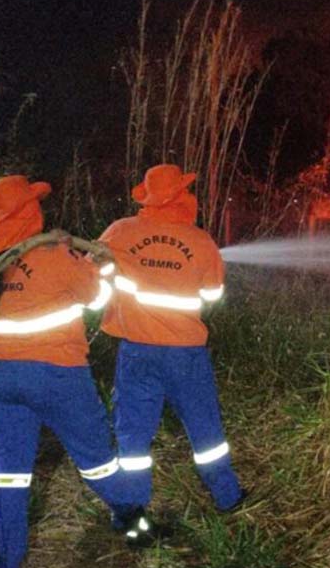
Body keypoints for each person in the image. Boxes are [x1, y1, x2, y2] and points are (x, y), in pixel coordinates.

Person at [0, 175, 152, 568]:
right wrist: (100, 267)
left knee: (10, 476)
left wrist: (69, 253)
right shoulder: (56, 257)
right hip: (57, 376)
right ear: (31, 210)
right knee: (98, 463)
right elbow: (96, 299)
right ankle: (133, 517)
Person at [98, 164, 245, 522]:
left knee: (132, 436)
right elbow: (212, 295)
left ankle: (129, 513)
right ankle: (228, 497)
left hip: (136, 350)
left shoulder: (120, 232)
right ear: (182, 197)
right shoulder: (201, 241)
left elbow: (95, 275)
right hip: (185, 355)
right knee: (205, 428)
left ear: (147, 197)